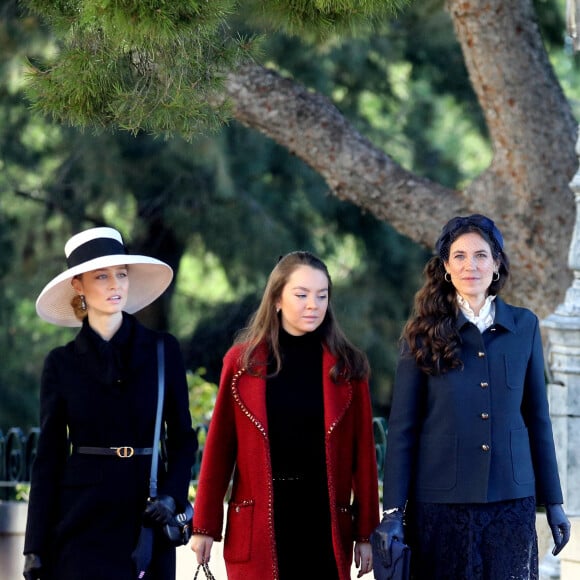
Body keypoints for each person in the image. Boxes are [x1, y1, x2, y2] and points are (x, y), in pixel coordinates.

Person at [373, 214, 571, 579]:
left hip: (511, 502)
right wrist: (392, 513)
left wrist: (554, 502)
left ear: (497, 262)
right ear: (446, 266)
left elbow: (536, 418)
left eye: (481, 255)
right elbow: (403, 428)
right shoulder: (420, 332)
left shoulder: (524, 325)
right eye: (459, 256)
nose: (471, 266)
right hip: (439, 504)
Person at [191, 251, 380, 579]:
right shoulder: (241, 364)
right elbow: (219, 449)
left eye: (322, 296)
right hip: (260, 523)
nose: (313, 304)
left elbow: (363, 458)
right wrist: (204, 526)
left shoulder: (348, 368)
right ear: (277, 298)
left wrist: (366, 534)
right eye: (302, 294)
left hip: (325, 522)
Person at [22, 226, 198, 580]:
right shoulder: (61, 363)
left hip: (148, 520)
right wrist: (34, 547)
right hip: (79, 522)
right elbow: (49, 457)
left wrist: (170, 498)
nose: (115, 284)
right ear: (78, 285)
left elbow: (183, 439)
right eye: (101, 276)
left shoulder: (163, 350)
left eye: (121, 274)